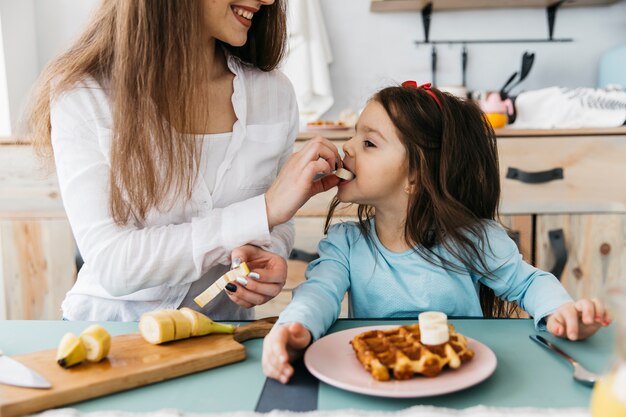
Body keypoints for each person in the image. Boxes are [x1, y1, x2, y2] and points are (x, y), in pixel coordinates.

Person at [262, 82, 613, 384]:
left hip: (463, 379)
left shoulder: (474, 240)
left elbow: (528, 283)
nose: (348, 148)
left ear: (415, 177)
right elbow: (318, 293)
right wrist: (295, 327)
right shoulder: (346, 244)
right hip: (382, 383)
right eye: (355, 135)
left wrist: (562, 313)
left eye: (369, 143)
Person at [25, 0, 342, 321]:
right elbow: (112, 263)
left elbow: (278, 217)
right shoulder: (85, 94)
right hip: (109, 336)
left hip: (221, 339)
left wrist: (269, 254)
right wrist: (262, 212)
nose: (269, 1)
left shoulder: (274, 94)